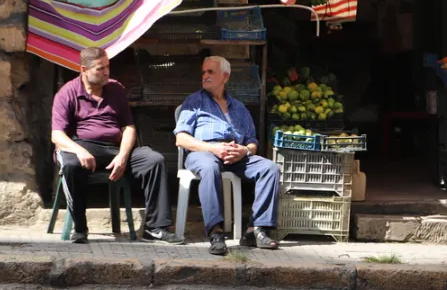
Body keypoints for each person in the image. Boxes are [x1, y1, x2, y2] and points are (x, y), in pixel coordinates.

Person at [51, 47, 180, 244]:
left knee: (154, 160)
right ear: (83, 69)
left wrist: (123, 156)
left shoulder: (115, 89)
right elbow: (57, 135)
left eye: (107, 67)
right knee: (70, 165)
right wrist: (79, 150)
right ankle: (80, 227)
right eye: (100, 68)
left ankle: (155, 227)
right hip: (81, 147)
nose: (106, 72)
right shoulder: (67, 93)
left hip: (113, 148)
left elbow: (128, 127)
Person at [174, 56, 280, 256]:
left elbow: (252, 141)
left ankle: (255, 230)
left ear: (225, 76)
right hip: (203, 153)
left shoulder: (239, 107)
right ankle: (216, 232)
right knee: (209, 166)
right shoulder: (194, 101)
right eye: (203, 72)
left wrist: (244, 151)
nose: (204, 76)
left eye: (210, 72)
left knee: (269, 168)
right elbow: (181, 139)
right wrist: (213, 148)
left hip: (236, 156)